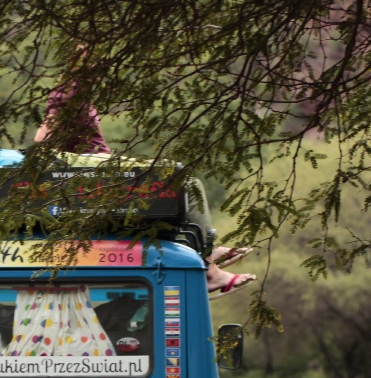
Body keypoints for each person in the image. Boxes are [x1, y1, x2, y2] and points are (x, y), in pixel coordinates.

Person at [34, 78, 256, 297]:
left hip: (102, 171)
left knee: (184, 186)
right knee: (186, 184)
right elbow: (42, 140)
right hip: (99, 174)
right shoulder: (68, 92)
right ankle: (209, 267)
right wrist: (77, 163)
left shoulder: (75, 89)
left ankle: (205, 253)